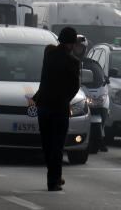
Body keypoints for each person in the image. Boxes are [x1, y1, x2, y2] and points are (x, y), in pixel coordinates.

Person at [32, 27, 82, 191]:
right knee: (57, 145)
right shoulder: (73, 62)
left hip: (43, 105)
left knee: (47, 143)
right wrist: (64, 99)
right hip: (59, 108)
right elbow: (75, 87)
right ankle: (53, 180)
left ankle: (53, 175)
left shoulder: (49, 53)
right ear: (72, 44)